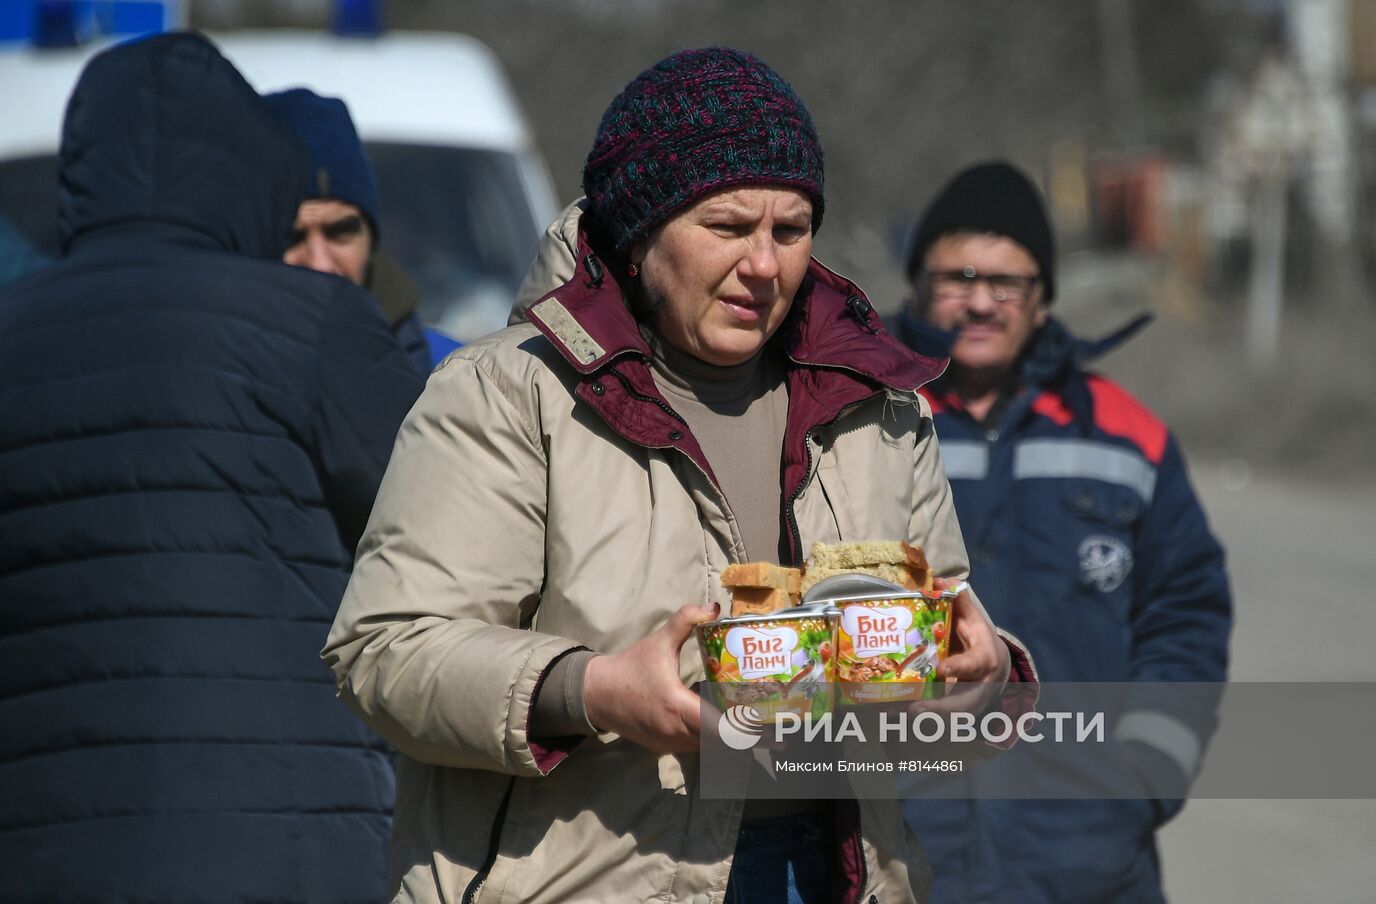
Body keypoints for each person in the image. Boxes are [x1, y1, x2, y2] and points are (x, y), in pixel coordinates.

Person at [324, 48, 1037, 904]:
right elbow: (386, 652)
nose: (766, 265)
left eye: (791, 229)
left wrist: (979, 679)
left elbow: (937, 650)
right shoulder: (510, 392)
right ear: (639, 233)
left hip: (830, 874)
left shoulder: (877, 403)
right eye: (729, 228)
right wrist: (594, 691)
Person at [0, 33, 423, 902]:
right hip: (297, 847)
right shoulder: (313, 325)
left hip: (44, 852)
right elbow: (449, 536)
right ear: (257, 175)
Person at [892, 161, 1232, 904]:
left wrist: (1147, 773)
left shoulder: (1126, 438)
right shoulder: (849, 422)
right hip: (896, 861)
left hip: (1089, 867)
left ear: (1042, 300)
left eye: (1007, 283)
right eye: (958, 277)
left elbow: (1186, 614)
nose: (980, 303)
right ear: (915, 282)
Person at [263, 87, 462, 373]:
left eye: (340, 232)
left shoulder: (456, 379)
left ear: (370, 238)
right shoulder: (209, 375)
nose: (319, 263)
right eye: (292, 237)